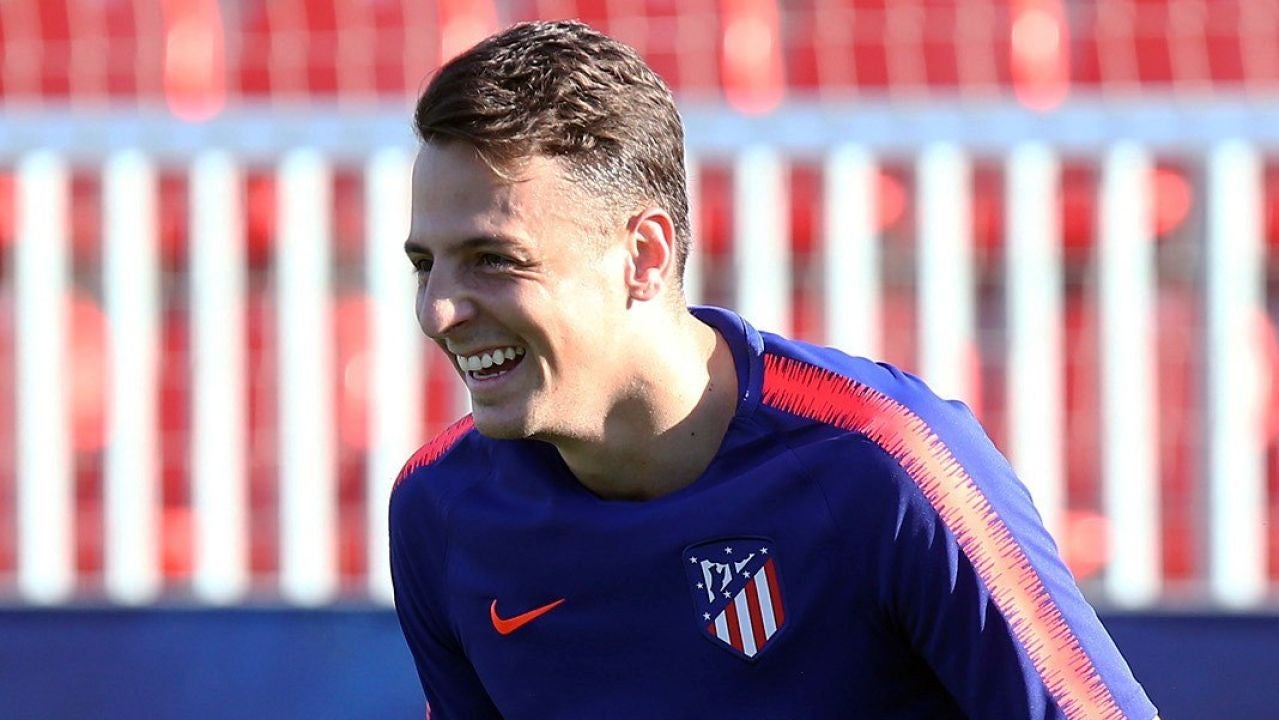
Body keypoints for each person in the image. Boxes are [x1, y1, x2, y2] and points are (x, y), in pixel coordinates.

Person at [389, 19, 1159, 720]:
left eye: (494, 260)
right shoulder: (439, 509)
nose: (438, 311)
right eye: (426, 265)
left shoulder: (879, 464)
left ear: (643, 256)